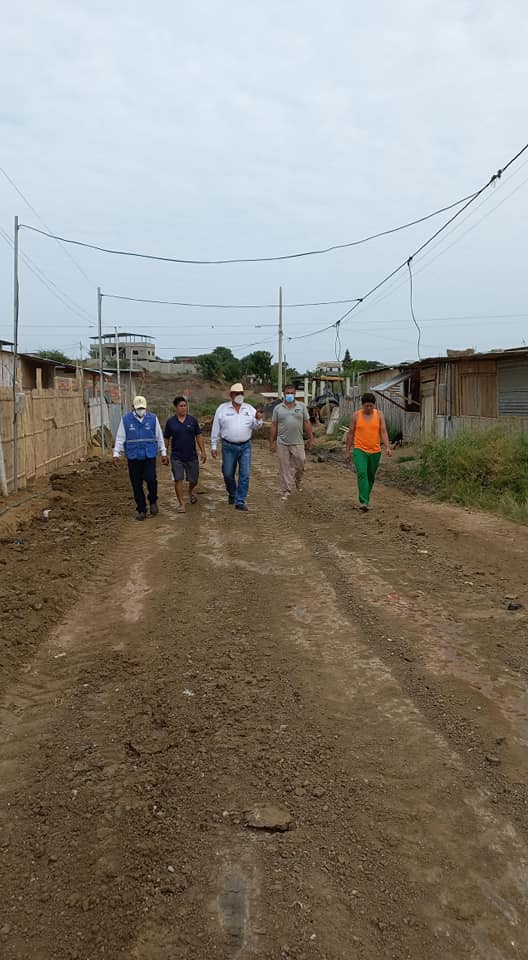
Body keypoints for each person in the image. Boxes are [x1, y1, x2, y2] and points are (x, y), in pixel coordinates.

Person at [113, 395, 168, 520]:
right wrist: (116, 453)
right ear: (133, 407)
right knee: (136, 484)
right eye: (138, 408)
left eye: (142, 408)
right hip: (133, 456)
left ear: (146, 407)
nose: (141, 410)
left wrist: (163, 452)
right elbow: (120, 437)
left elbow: (159, 436)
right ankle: (141, 509)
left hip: (149, 454)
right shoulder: (126, 420)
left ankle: (153, 500)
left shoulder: (152, 418)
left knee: (151, 479)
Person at [211, 383, 263, 511]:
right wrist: (214, 445)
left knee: (245, 474)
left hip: (245, 446)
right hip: (228, 446)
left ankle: (240, 501)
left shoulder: (249, 409)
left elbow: (256, 426)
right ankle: (232, 492)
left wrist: (258, 419)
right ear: (231, 395)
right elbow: (216, 427)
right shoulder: (222, 409)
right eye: (236, 393)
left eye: (241, 393)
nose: (239, 395)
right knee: (228, 473)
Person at [345, 392, 392, 512]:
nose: (369, 408)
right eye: (367, 406)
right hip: (360, 450)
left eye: (371, 405)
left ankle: (366, 497)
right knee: (362, 473)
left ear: (374, 405)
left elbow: (383, 431)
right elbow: (350, 434)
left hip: (375, 451)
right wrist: (348, 451)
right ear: (362, 405)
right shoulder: (356, 416)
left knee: (370, 476)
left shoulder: (379, 415)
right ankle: (364, 501)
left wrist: (387, 447)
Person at [270, 384, 315, 500]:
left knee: (301, 461)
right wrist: (272, 442)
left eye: (292, 393)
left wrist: (311, 438)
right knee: (284, 466)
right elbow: (274, 425)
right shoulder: (278, 408)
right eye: (287, 393)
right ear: (284, 394)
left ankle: (298, 480)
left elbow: (306, 423)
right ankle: (285, 490)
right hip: (282, 442)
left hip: (298, 441)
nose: (290, 395)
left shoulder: (302, 406)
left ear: (295, 394)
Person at [164, 396, 206, 514]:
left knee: (194, 480)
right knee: (178, 479)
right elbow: (166, 438)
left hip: (191, 455)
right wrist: (164, 454)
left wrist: (203, 451)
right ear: (176, 408)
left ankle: (190, 491)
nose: (183, 408)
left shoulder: (192, 420)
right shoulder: (170, 422)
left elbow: (198, 435)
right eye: (181, 406)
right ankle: (181, 503)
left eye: (184, 405)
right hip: (176, 456)